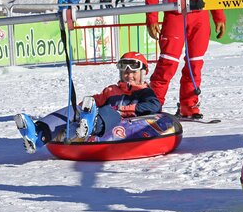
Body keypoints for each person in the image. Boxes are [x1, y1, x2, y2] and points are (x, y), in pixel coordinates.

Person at [13, 52, 161, 153]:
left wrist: (123, 109)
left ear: (143, 73)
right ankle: (38, 134)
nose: (129, 76)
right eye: (126, 72)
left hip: (118, 122)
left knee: (112, 112)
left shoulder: (145, 92)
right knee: (74, 110)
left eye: (133, 72)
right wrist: (83, 106)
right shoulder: (111, 90)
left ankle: (91, 125)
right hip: (96, 117)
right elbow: (93, 101)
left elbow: (154, 106)